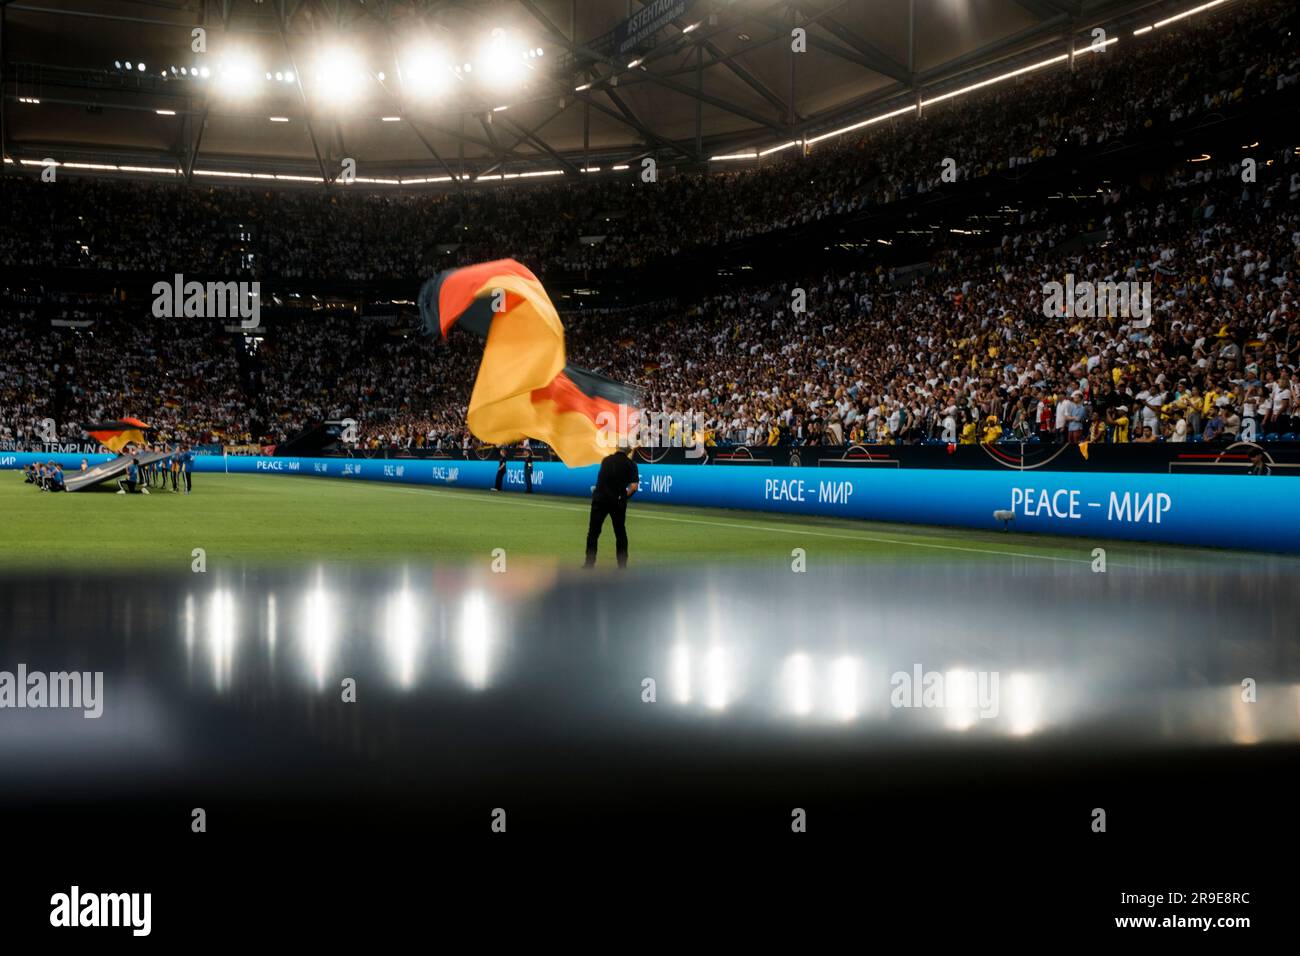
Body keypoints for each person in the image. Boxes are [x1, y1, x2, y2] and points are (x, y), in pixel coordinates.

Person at [584, 447, 639, 569]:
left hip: (600, 500)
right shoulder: (631, 464)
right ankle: (622, 565)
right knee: (620, 533)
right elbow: (634, 486)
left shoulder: (606, 460)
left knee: (593, 532)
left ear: (617, 448)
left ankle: (589, 563)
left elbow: (600, 481)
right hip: (617, 502)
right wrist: (624, 496)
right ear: (629, 450)